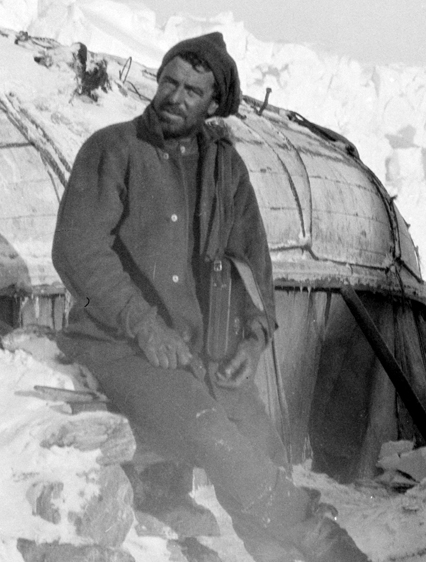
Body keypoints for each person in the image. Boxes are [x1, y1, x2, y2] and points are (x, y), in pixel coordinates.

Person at [51, 32, 370, 562]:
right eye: (168, 82)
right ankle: (322, 539)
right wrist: (144, 325)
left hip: (202, 354)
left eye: (191, 91)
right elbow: (77, 250)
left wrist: (252, 339)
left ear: (213, 103)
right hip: (119, 346)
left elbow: (253, 264)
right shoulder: (113, 150)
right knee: (215, 438)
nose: (174, 97)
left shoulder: (226, 168)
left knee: (264, 446)